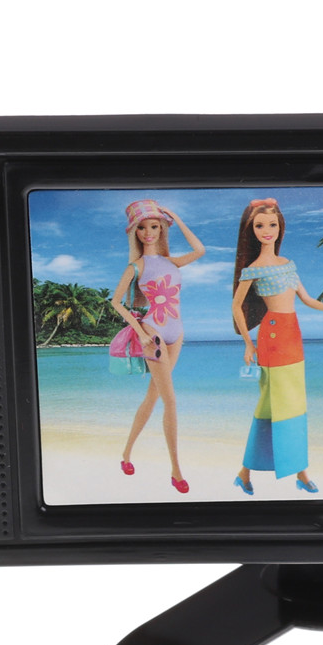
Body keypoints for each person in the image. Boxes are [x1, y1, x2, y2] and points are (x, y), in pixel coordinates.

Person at [231, 198, 323, 495]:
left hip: (293, 335)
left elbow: (306, 299)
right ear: (252, 230)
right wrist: (247, 344)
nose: (267, 230)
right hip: (271, 336)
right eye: (260, 226)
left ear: (280, 227)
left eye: (272, 224)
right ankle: (300, 473)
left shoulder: (288, 265)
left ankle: (247, 473)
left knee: (287, 403)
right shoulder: (253, 269)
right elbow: (236, 307)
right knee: (280, 402)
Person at [111, 199, 205, 493]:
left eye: (155, 226)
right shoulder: (136, 266)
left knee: (153, 397)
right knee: (170, 400)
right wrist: (140, 332)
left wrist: (175, 216)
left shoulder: (171, 261)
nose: (149, 232)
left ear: (162, 228)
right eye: (143, 227)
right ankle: (176, 470)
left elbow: (200, 250)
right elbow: (116, 302)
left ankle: (126, 454)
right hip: (153, 332)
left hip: (177, 332)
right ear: (135, 233)